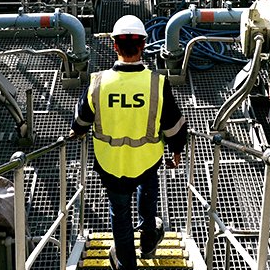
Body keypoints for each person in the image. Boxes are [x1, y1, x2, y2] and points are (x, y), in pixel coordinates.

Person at [68, 15, 187, 270]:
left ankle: (126, 263)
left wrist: (75, 134)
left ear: (114, 46)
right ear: (143, 45)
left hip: (111, 166)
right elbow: (174, 126)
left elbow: (80, 122)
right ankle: (148, 237)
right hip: (146, 161)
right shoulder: (157, 83)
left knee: (120, 216)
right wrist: (177, 152)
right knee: (148, 187)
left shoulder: (98, 83)